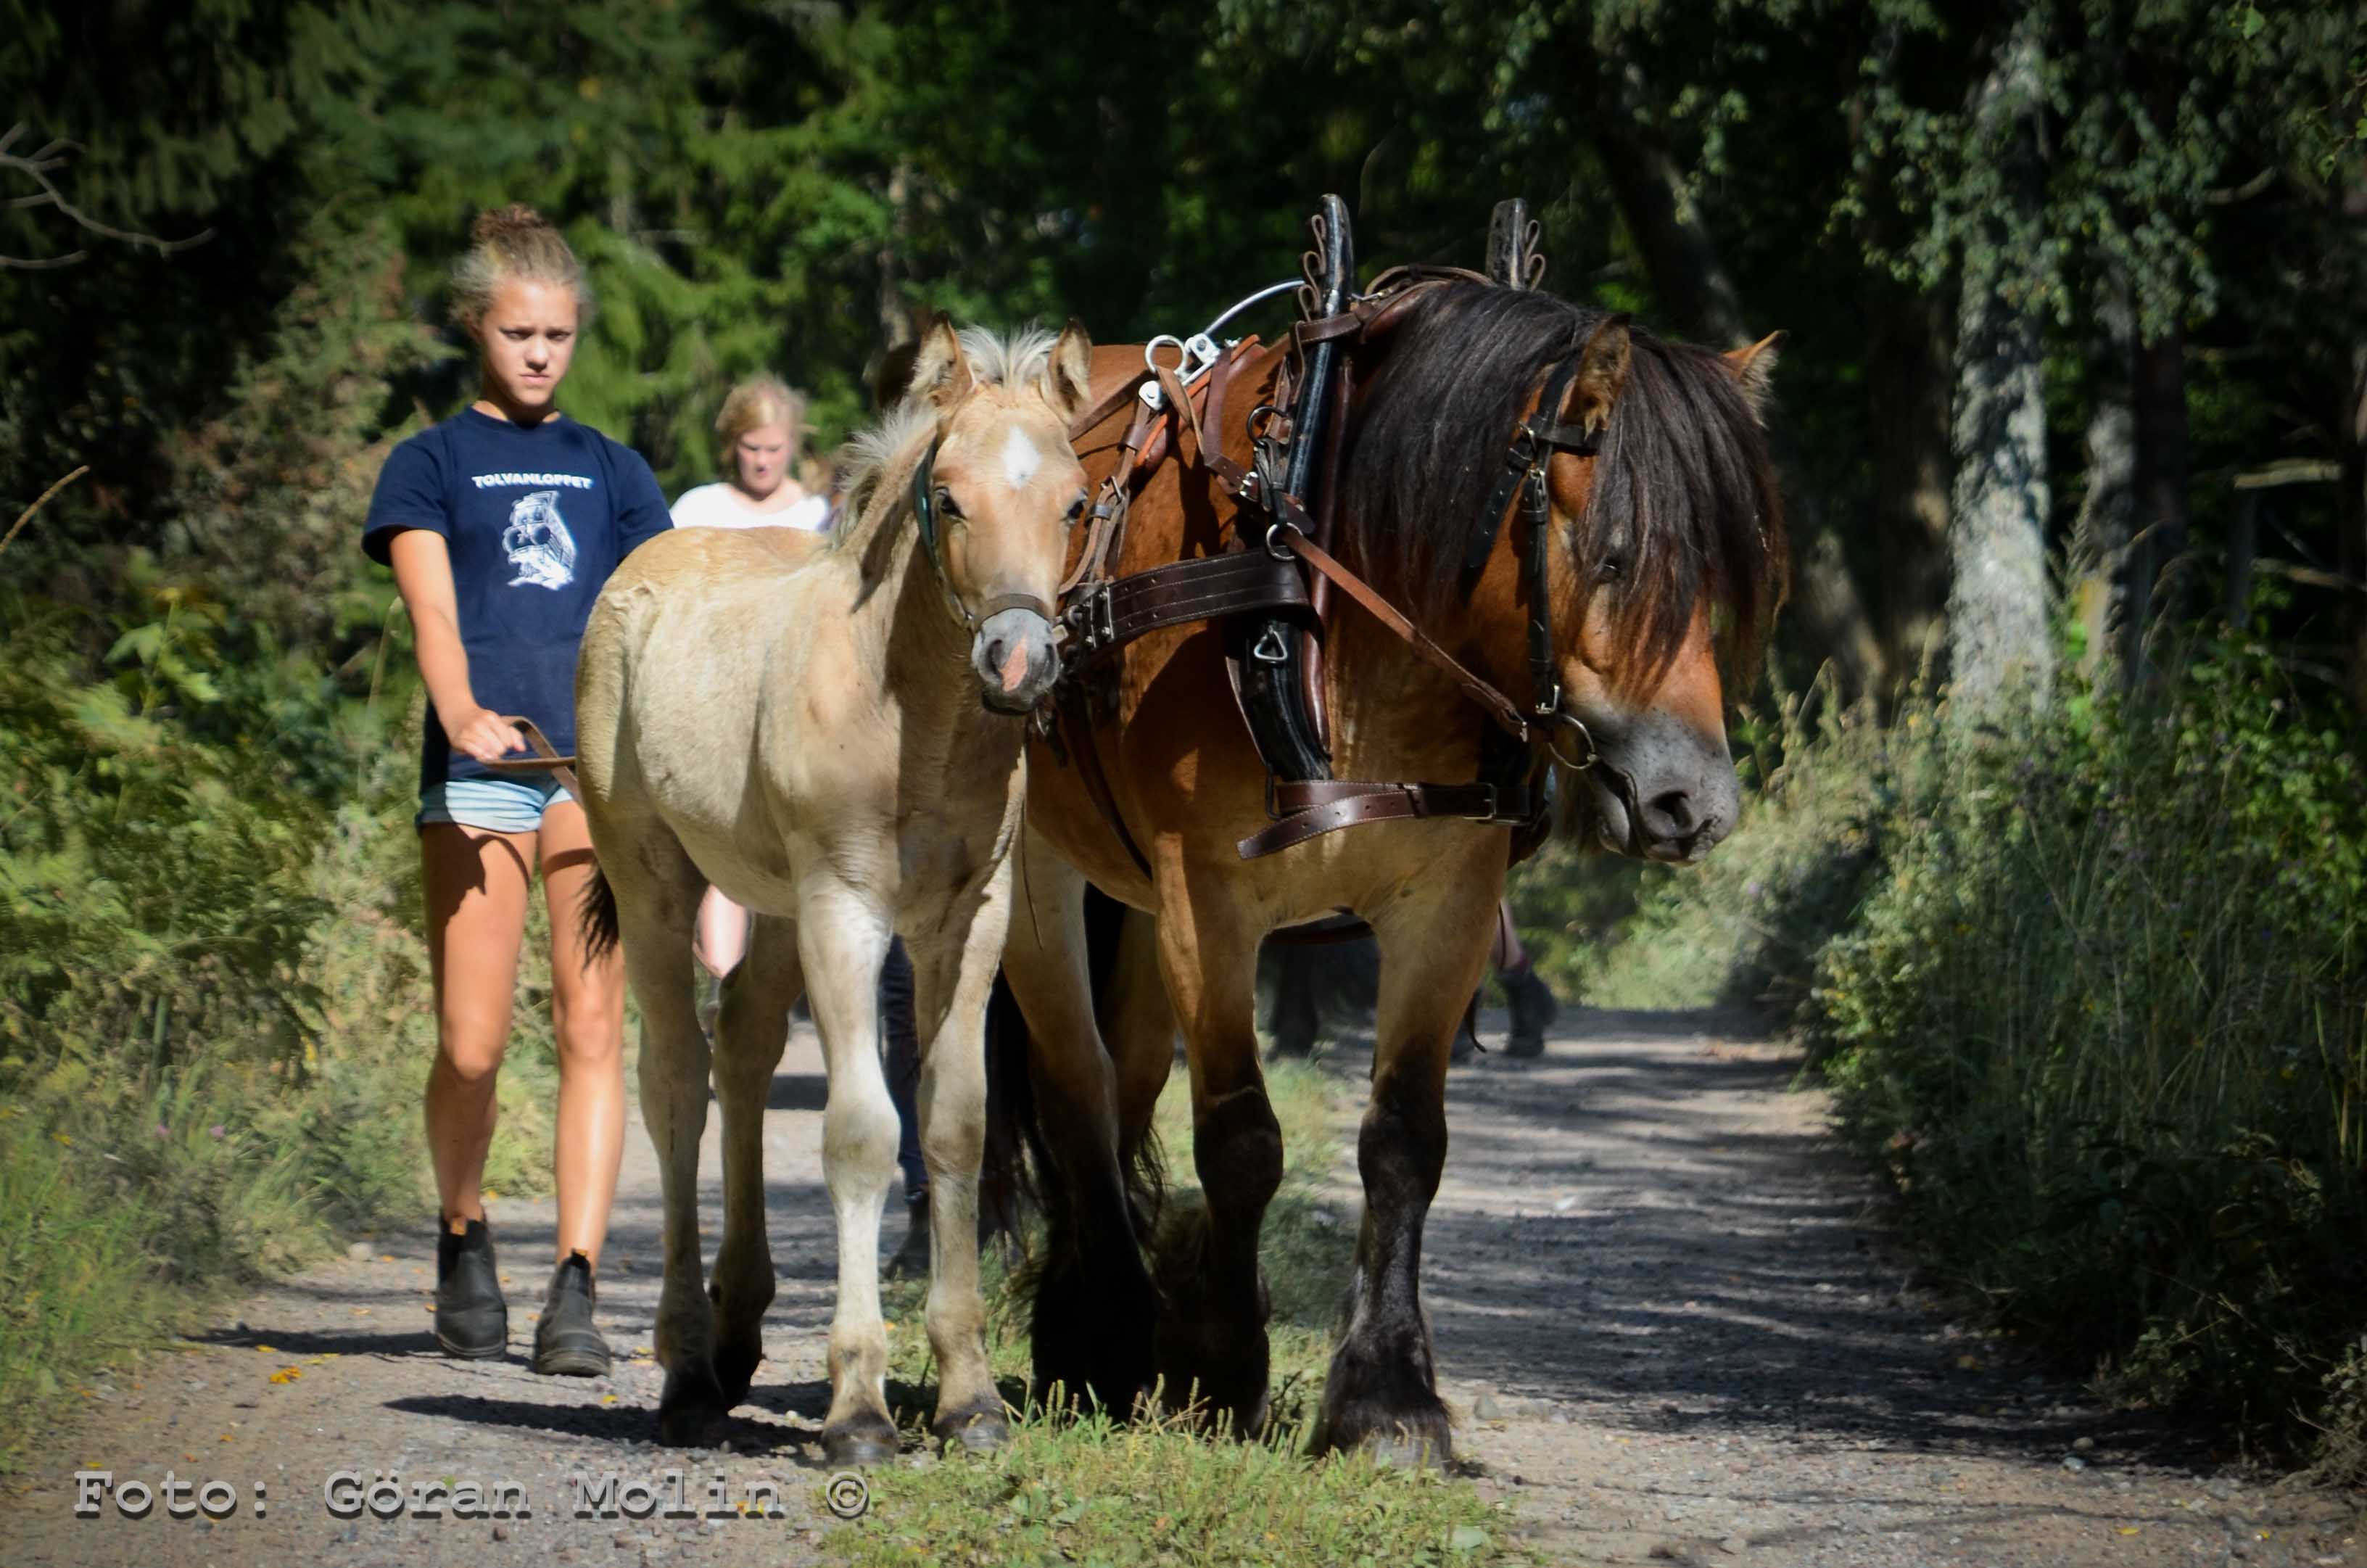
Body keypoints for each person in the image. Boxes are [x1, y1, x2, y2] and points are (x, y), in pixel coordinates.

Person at [363, 204, 672, 1376]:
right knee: (475, 1043)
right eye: (516, 332)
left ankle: (576, 1287)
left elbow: (653, 608)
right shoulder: (431, 462)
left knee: (595, 1027)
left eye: (557, 333)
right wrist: (458, 714)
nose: (539, 352)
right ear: (475, 330)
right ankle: (463, 1231)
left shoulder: (613, 468)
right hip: (480, 772)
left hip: (590, 775)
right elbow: (433, 609)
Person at [665, 374, 935, 1273]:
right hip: (723, 695)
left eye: (773, 446)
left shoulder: (821, 517)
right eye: (749, 446)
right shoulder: (699, 510)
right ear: (729, 446)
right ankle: (722, 959)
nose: (761, 459)